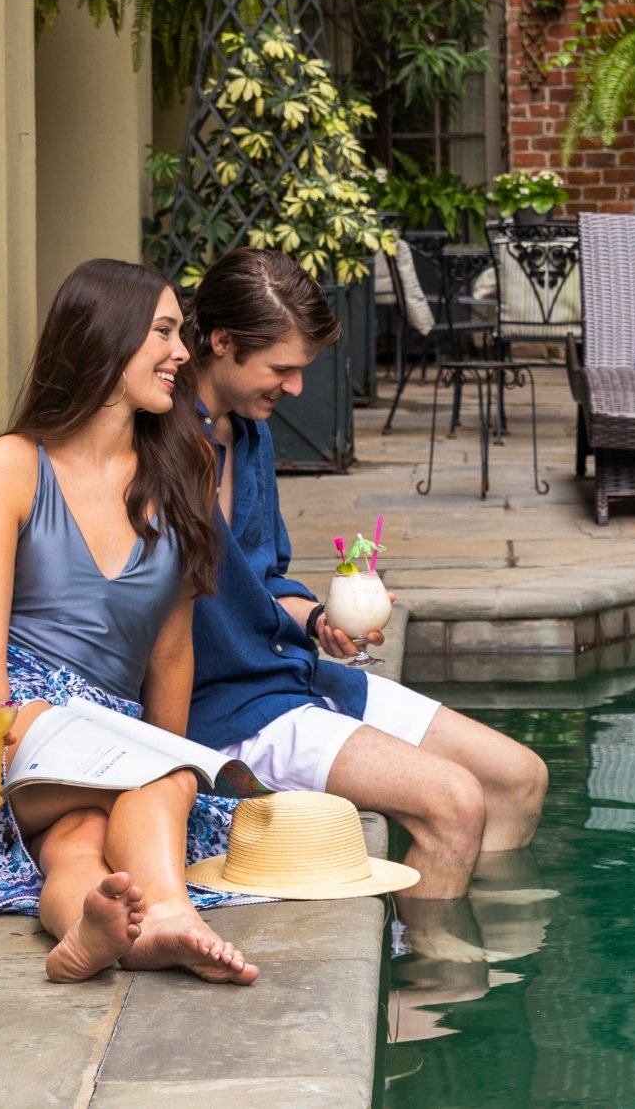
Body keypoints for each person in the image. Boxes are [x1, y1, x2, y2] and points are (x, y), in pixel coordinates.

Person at [0, 257, 261, 987]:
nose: (183, 352)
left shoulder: (185, 470)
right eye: (164, 331)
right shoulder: (11, 464)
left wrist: (179, 767)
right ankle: (171, 915)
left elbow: (170, 653)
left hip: (113, 732)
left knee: (82, 842)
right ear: (108, 337)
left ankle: (88, 929)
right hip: (6, 714)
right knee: (156, 775)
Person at [184, 247, 548, 900]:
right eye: (283, 368)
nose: (295, 387)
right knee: (455, 802)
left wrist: (323, 621)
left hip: (293, 675)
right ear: (221, 341)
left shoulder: (253, 433)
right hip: (232, 713)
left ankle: (469, 935)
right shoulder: (164, 450)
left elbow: (265, 578)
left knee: (519, 776)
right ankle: (427, 986)